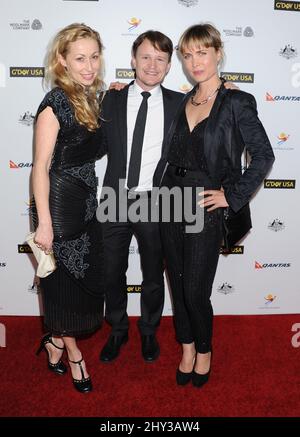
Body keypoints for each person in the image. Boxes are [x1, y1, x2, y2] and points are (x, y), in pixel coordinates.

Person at [158, 23, 275, 387]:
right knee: (177, 285)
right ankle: (187, 346)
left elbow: (263, 156)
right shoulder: (182, 101)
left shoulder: (237, 101)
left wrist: (233, 195)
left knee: (195, 288)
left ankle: (205, 349)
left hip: (205, 202)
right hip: (169, 200)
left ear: (218, 54)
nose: (195, 62)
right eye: (188, 55)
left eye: (202, 53)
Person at [98, 31, 183, 363]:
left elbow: (215, 112)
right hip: (114, 197)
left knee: (152, 273)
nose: (152, 64)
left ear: (168, 65)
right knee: (111, 272)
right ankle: (117, 329)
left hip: (156, 200)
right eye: (146, 56)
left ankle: (149, 331)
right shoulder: (110, 99)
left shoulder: (181, 104)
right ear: (133, 60)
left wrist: (230, 91)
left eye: (160, 59)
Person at [32, 23, 106, 393]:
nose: (89, 65)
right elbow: (40, 168)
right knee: (63, 285)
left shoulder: (93, 97)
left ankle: (54, 341)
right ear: (62, 60)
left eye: (94, 56)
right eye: (80, 58)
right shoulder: (54, 103)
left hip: (88, 203)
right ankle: (74, 354)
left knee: (84, 282)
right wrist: (44, 223)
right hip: (58, 205)